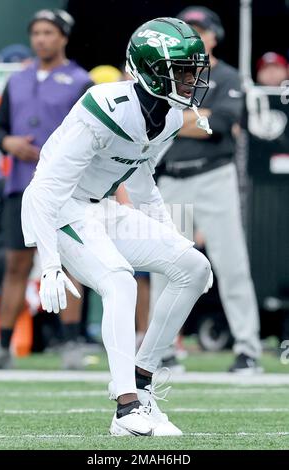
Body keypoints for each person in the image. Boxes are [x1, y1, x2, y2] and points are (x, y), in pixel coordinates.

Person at [21, 17, 213, 437]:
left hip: (101, 207)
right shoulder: (105, 106)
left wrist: (170, 236)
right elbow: (45, 188)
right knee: (120, 282)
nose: (192, 78)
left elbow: (142, 182)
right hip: (61, 207)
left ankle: (142, 383)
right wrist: (49, 260)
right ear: (148, 71)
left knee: (195, 268)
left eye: (194, 69)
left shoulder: (172, 118)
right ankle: (125, 409)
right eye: (182, 70)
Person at [151, 6, 262, 374]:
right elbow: (153, 122)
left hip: (214, 176)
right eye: (187, 30)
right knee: (165, 267)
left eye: (199, 30)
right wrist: (195, 120)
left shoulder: (228, 75)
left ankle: (248, 349)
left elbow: (222, 122)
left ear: (214, 36)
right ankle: (160, 351)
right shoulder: (164, 76)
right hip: (171, 178)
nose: (193, 36)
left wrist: (174, 121)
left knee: (231, 264)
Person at [0, 9, 92, 369]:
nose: (41, 39)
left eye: (48, 32)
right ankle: (2, 346)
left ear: (63, 36)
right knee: (15, 266)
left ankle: (70, 345)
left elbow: (91, 134)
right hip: (20, 187)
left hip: (65, 191)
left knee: (70, 265)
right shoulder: (16, 81)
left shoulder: (82, 81)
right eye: (36, 33)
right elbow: (0, 129)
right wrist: (10, 144)